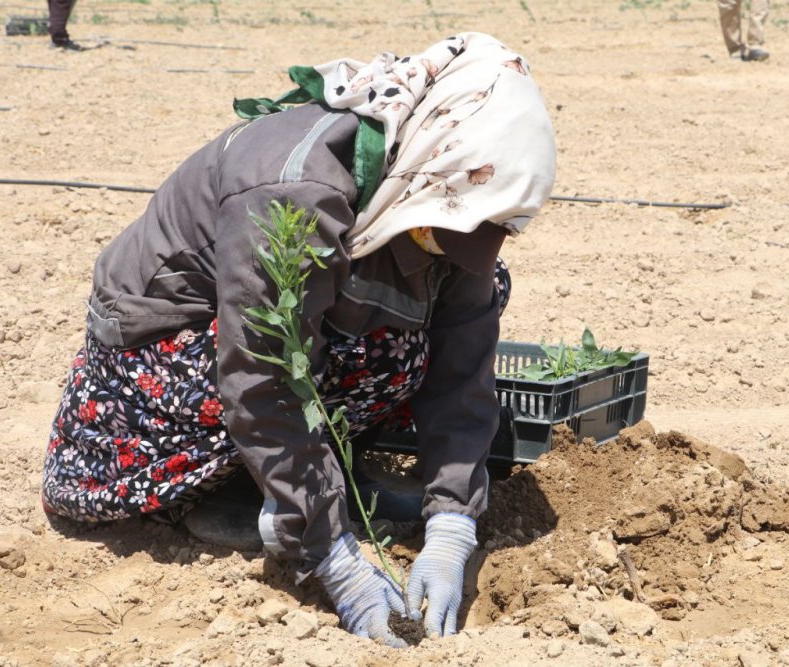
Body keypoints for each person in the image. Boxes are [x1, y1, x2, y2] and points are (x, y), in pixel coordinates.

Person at [40, 32, 556, 646]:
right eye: (448, 224)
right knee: (291, 356)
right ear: (429, 157)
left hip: (282, 345)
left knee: (461, 296)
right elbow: (260, 373)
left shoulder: (433, 191)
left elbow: (463, 362)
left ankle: (311, 479)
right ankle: (225, 491)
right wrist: (338, 562)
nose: (456, 238)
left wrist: (451, 525)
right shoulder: (293, 192)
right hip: (168, 347)